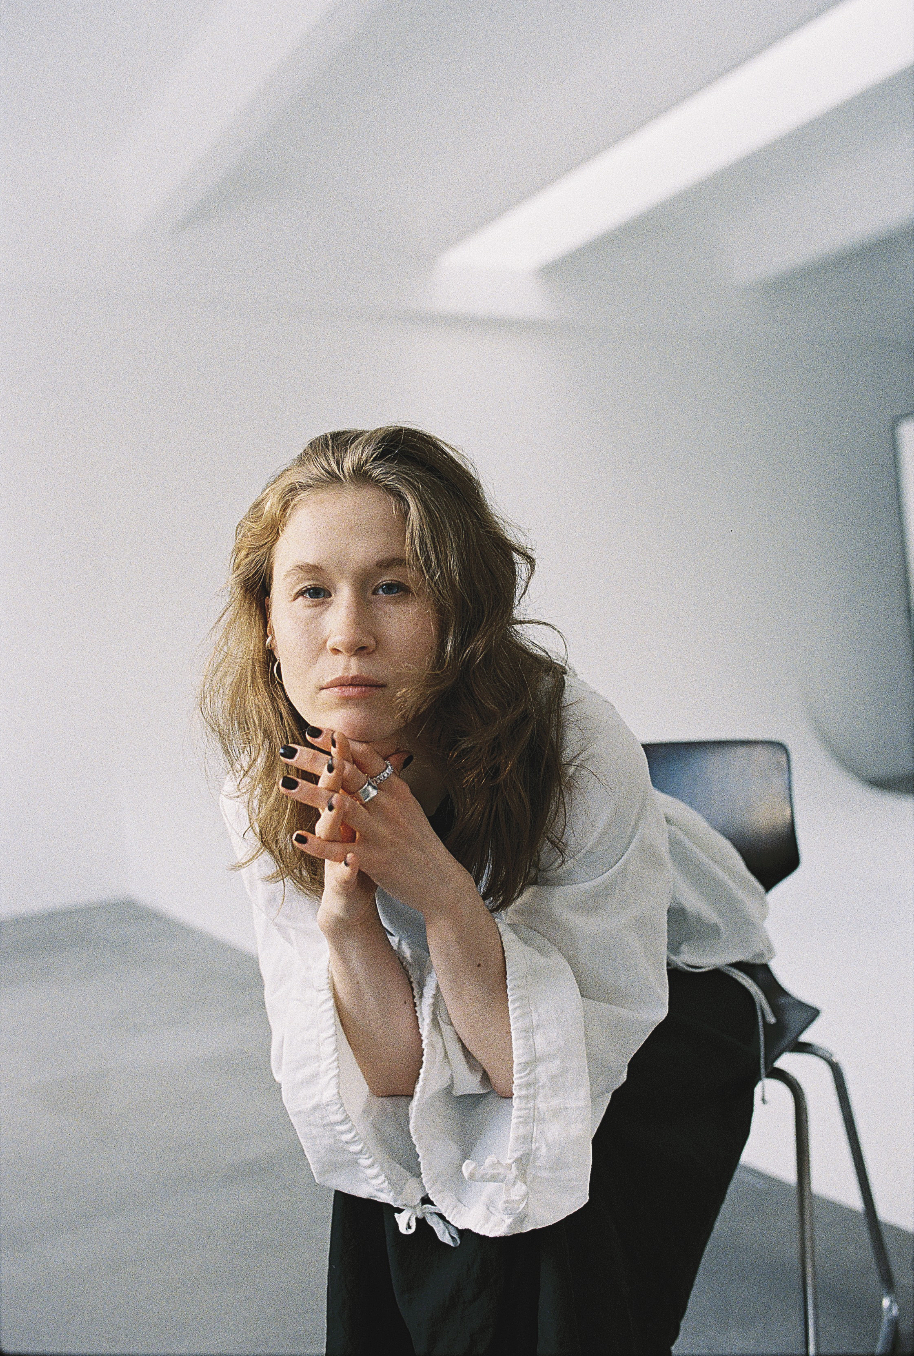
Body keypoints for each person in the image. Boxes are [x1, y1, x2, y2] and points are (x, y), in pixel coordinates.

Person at [201, 425, 775, 1356]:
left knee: (551, 1186)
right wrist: (346, 916)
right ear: (267, 619)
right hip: (474, 998)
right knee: (391, 1171)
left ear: (460, 606)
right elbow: (393, 1081)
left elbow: (535, 1070)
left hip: (674, 980)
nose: (347, 632)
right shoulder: (268, 784)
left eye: (394, 586)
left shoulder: (574, 744)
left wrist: (437, 888)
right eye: (310, 591)